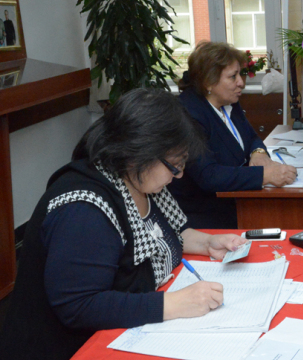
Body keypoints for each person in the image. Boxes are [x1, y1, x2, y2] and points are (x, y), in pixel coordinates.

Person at [0, 89, 247, 360]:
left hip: (126, 333)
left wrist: (207, 242)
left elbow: (167, 233)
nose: (179, 176)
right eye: (174, 166)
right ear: (138, 152)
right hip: (68, 349)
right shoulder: (84, 209)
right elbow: (79, 305)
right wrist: (174, 303)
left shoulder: (141, 179)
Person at [169, 42, 297, 229]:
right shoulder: (188, 114)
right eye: (233, 76)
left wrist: (258, 153)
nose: (241, 83)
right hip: (206, 217)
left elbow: (251, 137)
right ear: (208, 82)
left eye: (240, 74)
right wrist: (263, 175)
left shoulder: (229, 101)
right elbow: (208, 175)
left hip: (239, 202)